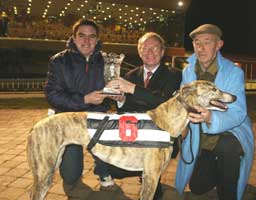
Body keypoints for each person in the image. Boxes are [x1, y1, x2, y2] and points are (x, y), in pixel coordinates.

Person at [175, 24, 254, 200]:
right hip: (201, 136)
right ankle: (220, 166)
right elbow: (184, 102)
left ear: (219, 45)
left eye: (207, 42)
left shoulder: (233, 72)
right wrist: (183, 126)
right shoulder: (188, 71)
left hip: (230, 131)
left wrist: (211, 117)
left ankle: (229, 187)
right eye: (197, 42)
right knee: (197, 187)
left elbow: (239, 111)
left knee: (228, 148)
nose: (201, 48)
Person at [102, 32, 182, 199]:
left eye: (154, 48)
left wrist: (132, 89)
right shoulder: (131, 75)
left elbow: (163, 103)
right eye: (145, 48)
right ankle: (144, 173)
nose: (149, 52)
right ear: (139, 52)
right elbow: (124, 112)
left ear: (162, 52)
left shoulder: (175, 75)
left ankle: (151, 179)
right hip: (135, 133)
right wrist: (121, 100)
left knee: (152, 176)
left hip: (160, 136)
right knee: (111, 165)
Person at [44, 19, 110, 197]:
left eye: (92, 36)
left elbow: (111, 92)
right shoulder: (59, 61)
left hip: (96, 117)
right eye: (82, 36)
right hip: (69, 118)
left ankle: (103, 171)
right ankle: (71, 176)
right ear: (73, 38)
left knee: (111, 149)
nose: (87, 41)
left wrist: (117, 96)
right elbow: (52, 95)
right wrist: (85, 99)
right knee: (71, 175)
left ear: (97, 40)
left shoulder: (107, 62)